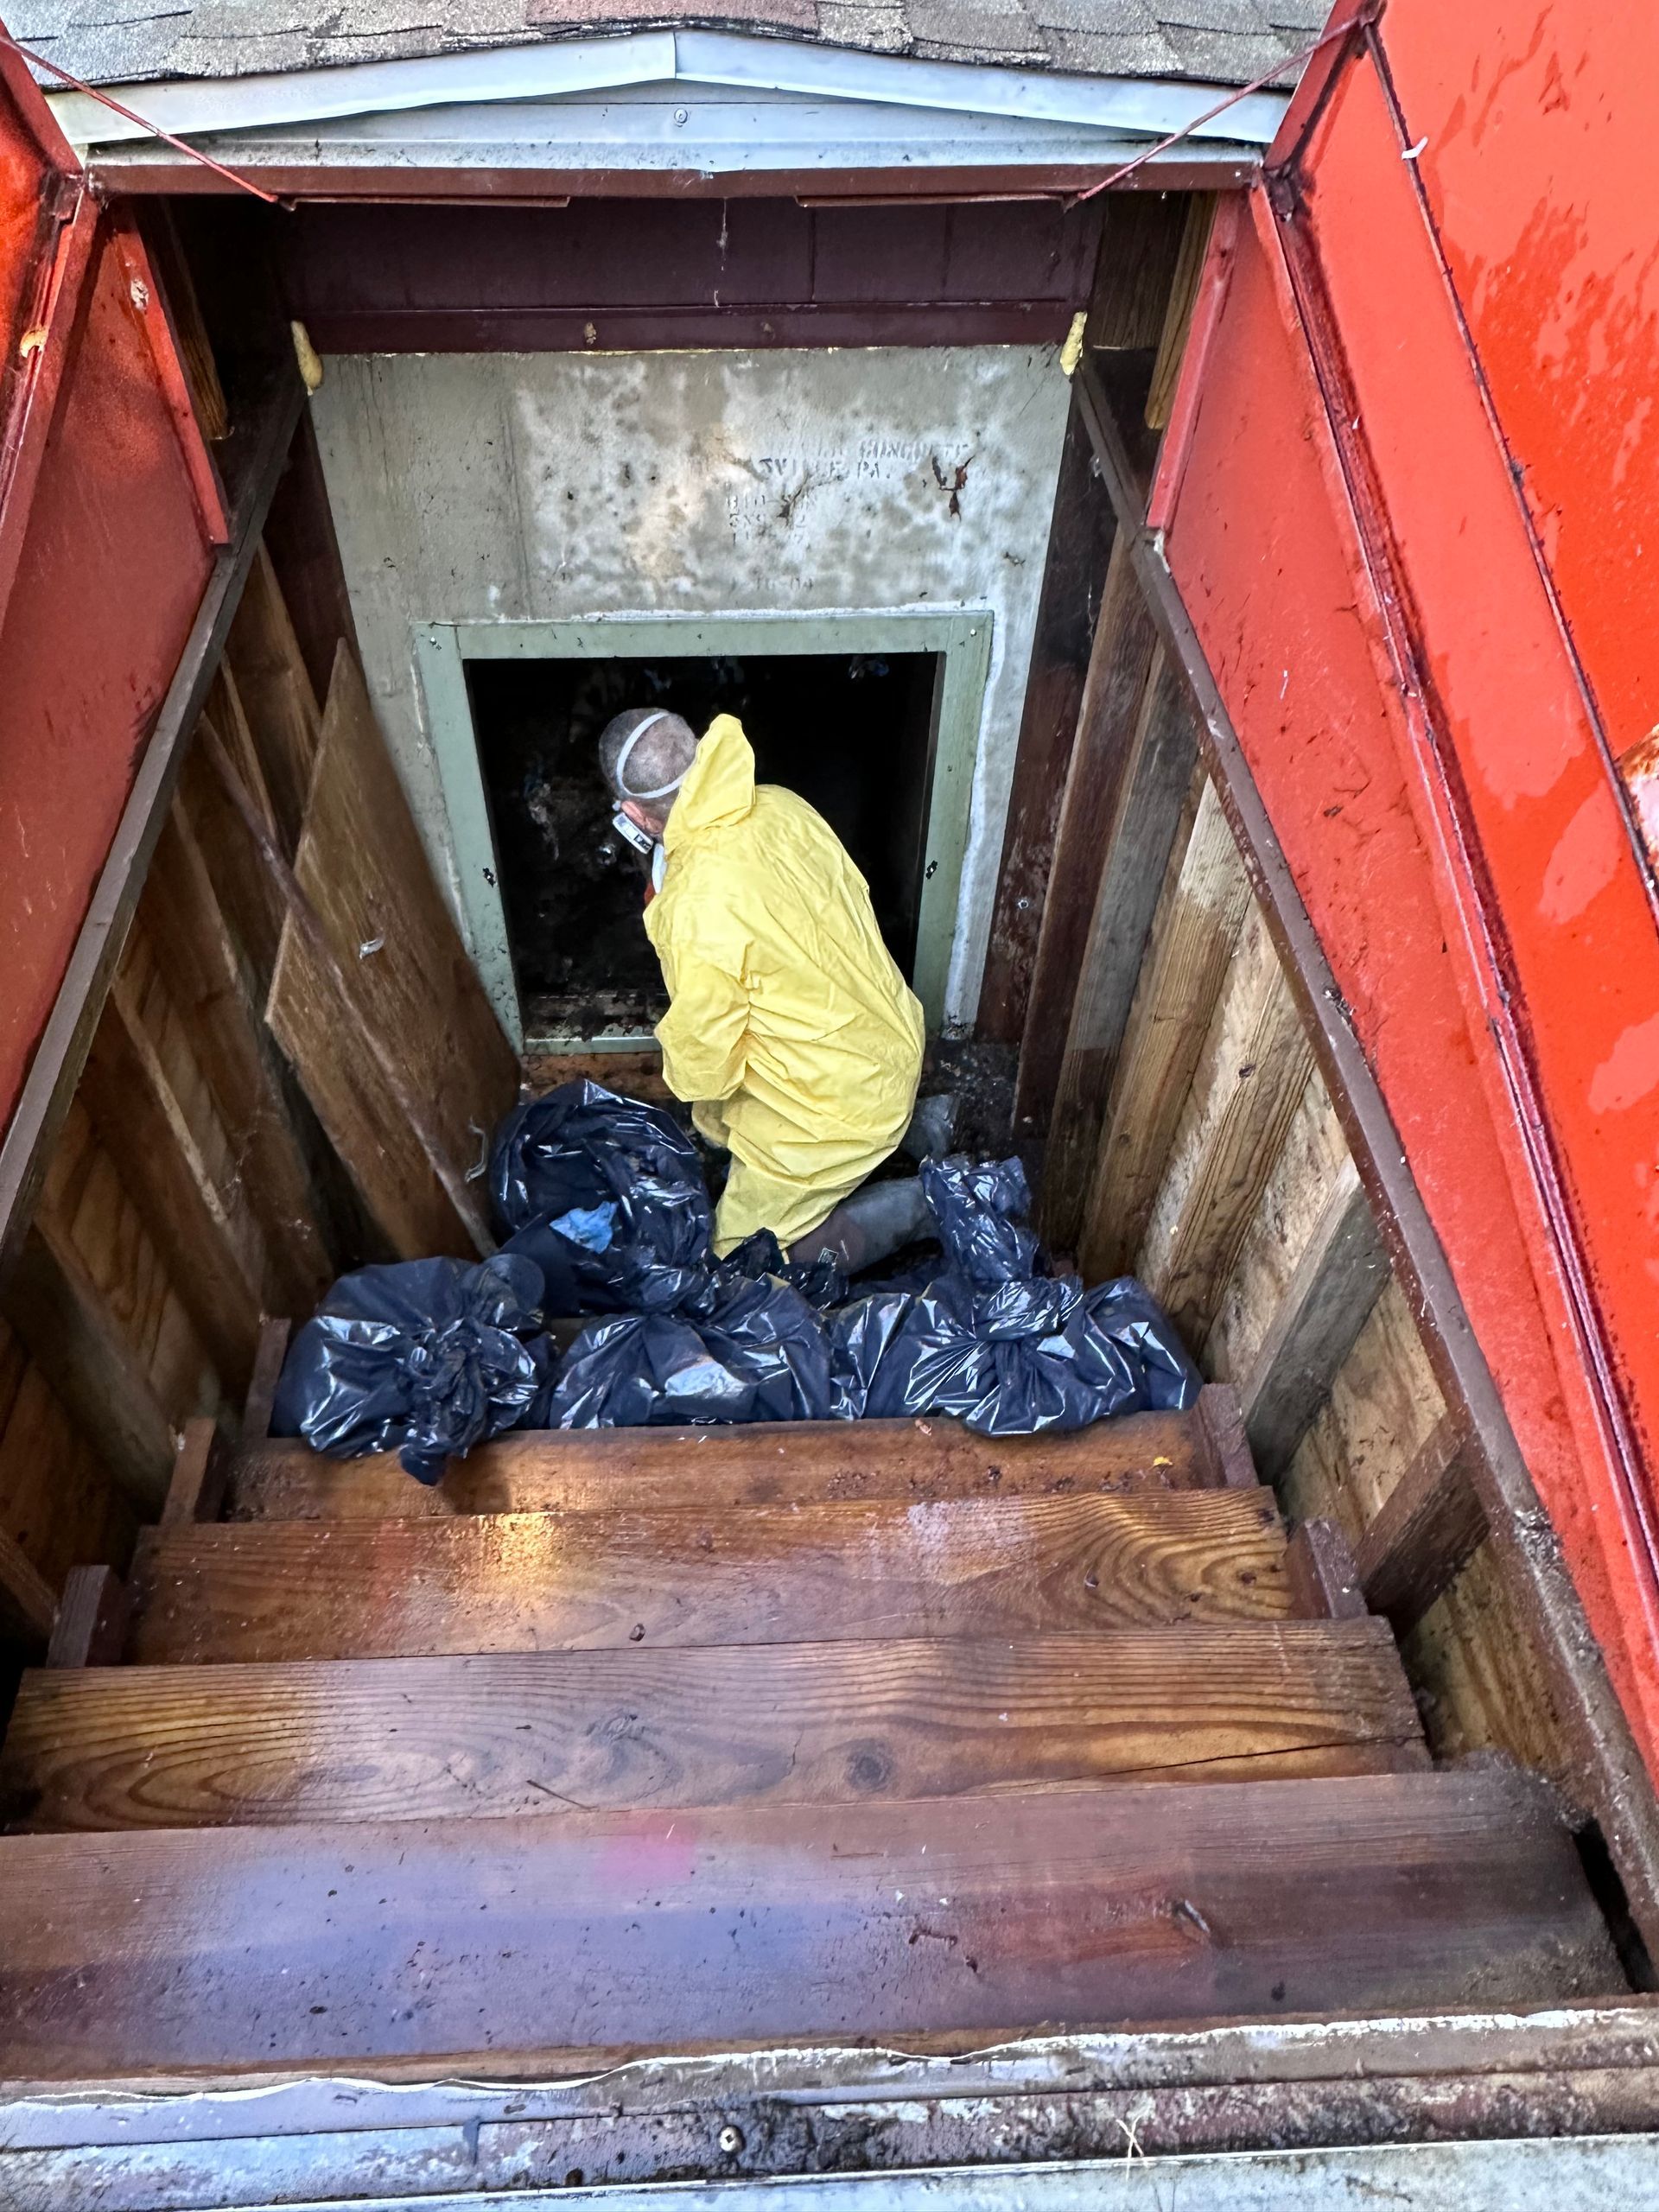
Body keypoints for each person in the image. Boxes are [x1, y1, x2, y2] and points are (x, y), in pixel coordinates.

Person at [600, 704, 934, 1271]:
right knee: (749, 1129)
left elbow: (708, 1064)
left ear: (635, 813)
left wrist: (694, 1102)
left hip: (834, 1108)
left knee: (744, 1255)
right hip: (892, 1043)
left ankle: (921, 1206)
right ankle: (921, 1131)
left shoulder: (696, 904)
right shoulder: (780, 804)